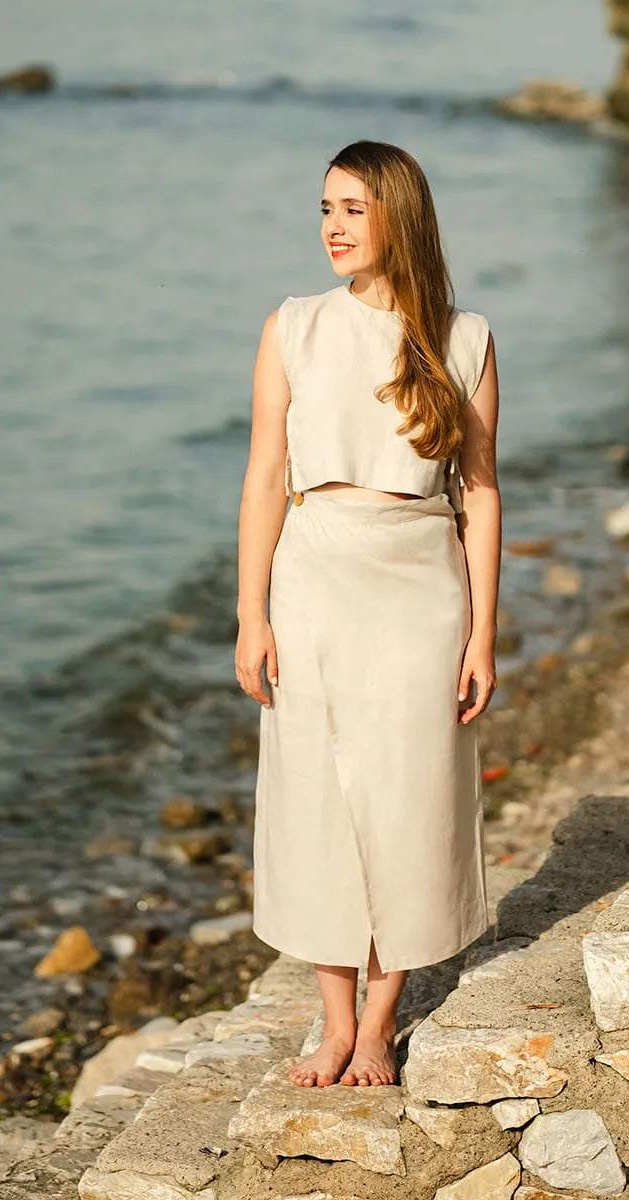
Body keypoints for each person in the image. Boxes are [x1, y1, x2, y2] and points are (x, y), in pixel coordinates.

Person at [234, 140, 501, 1090]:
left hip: (420, 586)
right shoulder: (293, 325)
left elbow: (480, 491)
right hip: (314, 574)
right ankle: (334, 1021)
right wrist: (249, 615)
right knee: (314, 795)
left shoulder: (463, 338)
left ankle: (380, 1026)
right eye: (323, 209)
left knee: (408, 797)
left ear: (399, 214)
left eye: (351, 208)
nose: (332, 228)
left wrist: (482, 633)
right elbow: (267, 475)